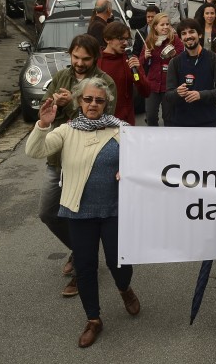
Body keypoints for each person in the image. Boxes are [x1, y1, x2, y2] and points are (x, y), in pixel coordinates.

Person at [26, 77, 139, 348]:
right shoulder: (66, 131)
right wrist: (43, 124)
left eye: (99, 100)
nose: (93, 104)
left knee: (119, 263)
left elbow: (142, 159)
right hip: (79, 212)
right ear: (79, 101)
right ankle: (93, 319)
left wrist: (131, 170)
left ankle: (124, 288)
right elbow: (34, 151)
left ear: (106, 104)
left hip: (114, 210)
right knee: (85, 266)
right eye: (88, 99)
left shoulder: (121, 130)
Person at [35, 34, 118, 299]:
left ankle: (83, 270)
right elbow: (45, 111)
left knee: (83, 214)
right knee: (47, 211)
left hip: (89, 161)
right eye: (75, 57)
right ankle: (80, 250)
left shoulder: (105, 82)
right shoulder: (61, 76)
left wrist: (73, 102)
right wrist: (55, 105)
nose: (79, 63)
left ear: (95, 58)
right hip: (59, 158)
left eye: (85, 58)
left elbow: (102, 119)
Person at [164, 18, 216, 127]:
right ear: (181, 38)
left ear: (200, 35)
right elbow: (168, 95)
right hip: (181, 123)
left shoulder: (214, 59)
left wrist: (201, 95)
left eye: (192, 32)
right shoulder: (175, 62)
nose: (188, 36)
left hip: (208, 122)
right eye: (184, 34)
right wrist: (177, 92)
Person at [97, 22, 150, 125]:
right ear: (107, 39)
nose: (125, 43)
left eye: (127, 39)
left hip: (125, 124)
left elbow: (146, 92)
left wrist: (137, 72)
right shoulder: (96, 61)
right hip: (101, 123)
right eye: (121, 39)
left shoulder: (131, 60)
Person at [141, 13, 184, 126]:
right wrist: (145, 57)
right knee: (150, 116)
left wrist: (174, 54)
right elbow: (140, 63)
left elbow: (183, 60)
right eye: (162, 25)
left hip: (169, 86)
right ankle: (154, 140)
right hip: (152, 84)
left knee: (168, 117)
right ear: (155, 27)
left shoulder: (175, 40)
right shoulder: (149, 40)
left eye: (167, 24)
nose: (165, 27)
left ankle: (168, 141)